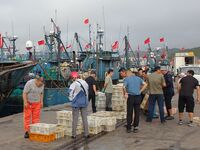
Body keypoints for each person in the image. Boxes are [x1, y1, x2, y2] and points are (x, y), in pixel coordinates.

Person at [68, 71, 89, 139]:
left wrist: (71, 99)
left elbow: (69, 93)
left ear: (73, 78)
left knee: (75, 119)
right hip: (84, 102)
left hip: (76, 103)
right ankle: (86, 134)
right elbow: (87, 92)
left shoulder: (74, 84)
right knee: (85, 118)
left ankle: (74, 134)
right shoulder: (85, 82)